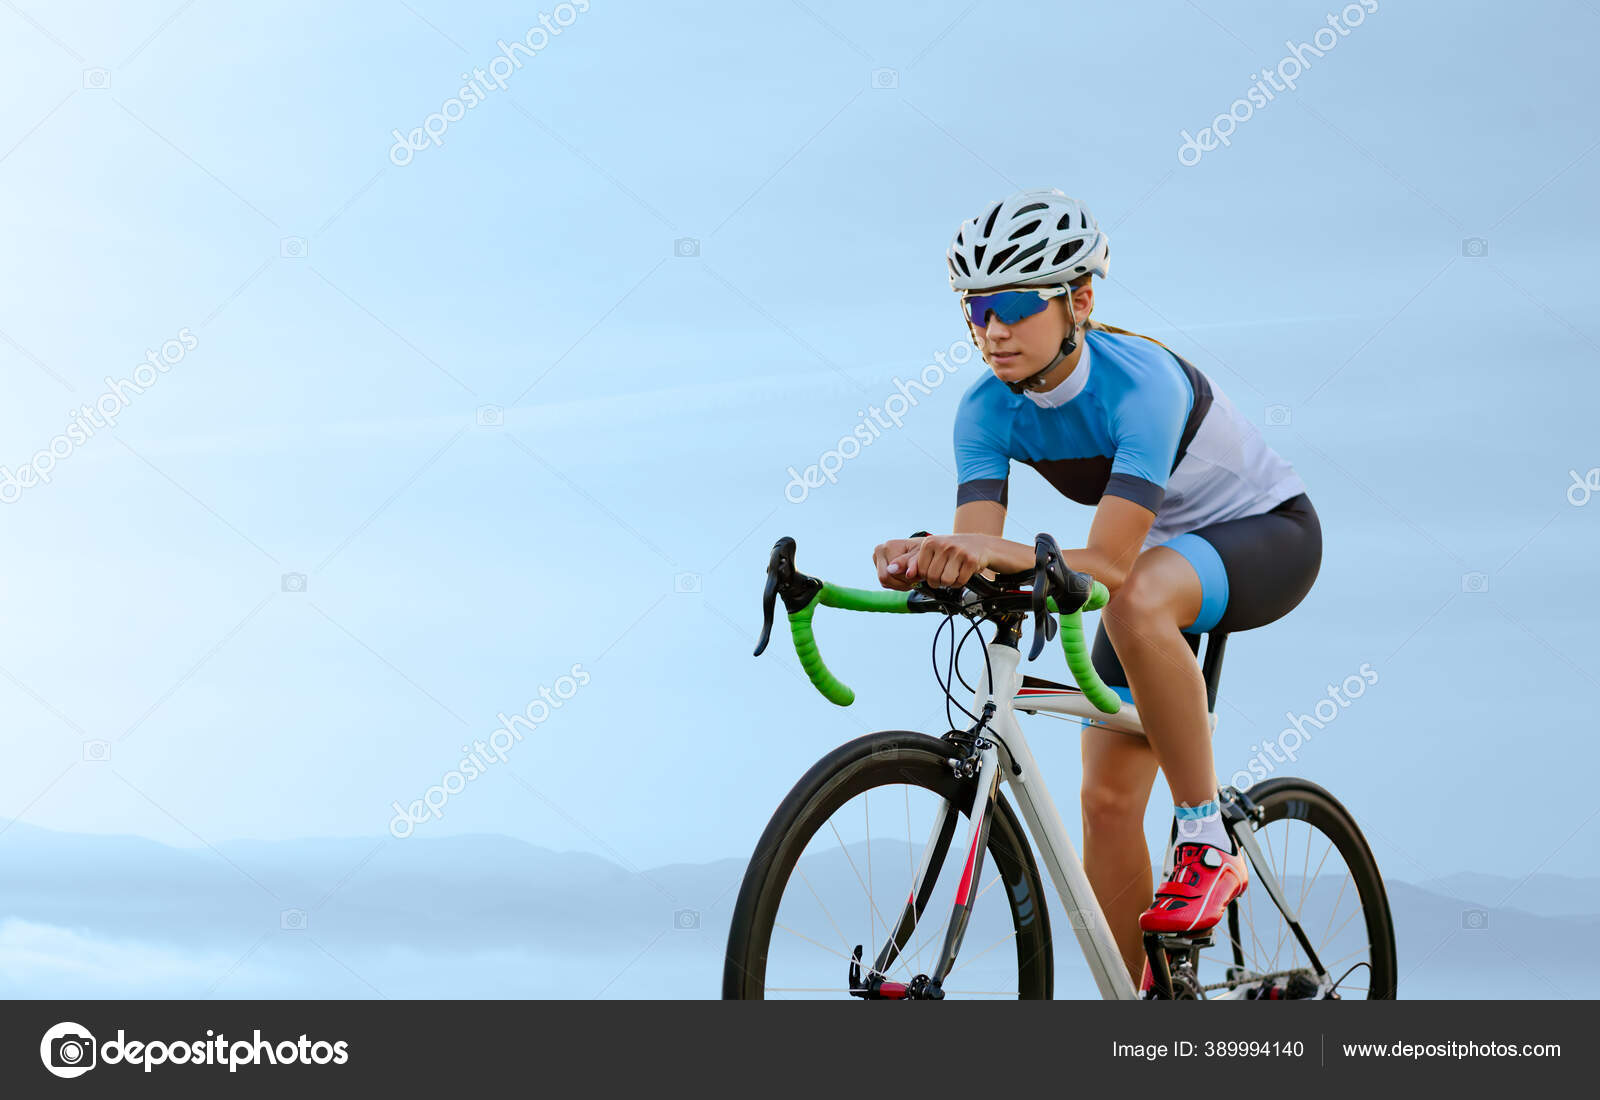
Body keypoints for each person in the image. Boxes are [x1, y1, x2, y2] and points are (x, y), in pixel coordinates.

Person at [871, 188, 1321, 989]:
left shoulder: (1143, 383)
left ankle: (1207, 838)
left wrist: (982, 546)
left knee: (1139, 591)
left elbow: (1109, 564)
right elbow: (980, 543)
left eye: (1013, 303)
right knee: (1106, 802)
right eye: (975, 309)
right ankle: (1145, 1012)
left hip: (1269, 534)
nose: (992, 329)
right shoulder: (983, 409)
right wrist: (929, 555)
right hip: (1157, 563)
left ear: (1078, 299)